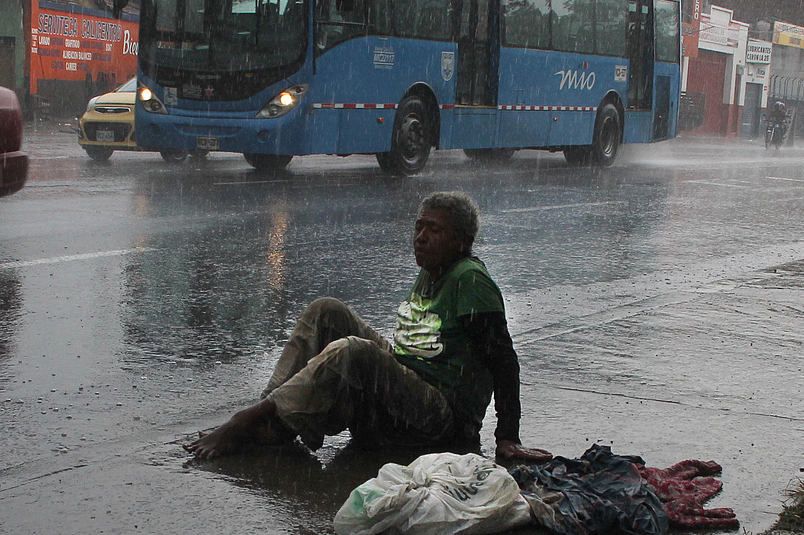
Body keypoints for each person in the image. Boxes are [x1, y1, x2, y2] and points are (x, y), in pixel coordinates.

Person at [186, 191, 553, 463]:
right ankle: (270, 421)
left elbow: (504, 361)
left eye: (434, 230)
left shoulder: (470, 281)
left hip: (442, 416)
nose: (420, 237)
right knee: (325, 311)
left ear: (462, 241)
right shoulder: (432, 270)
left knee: (354, 350)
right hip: (408, 380)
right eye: (418, 227)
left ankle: (246, 421)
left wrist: (507, 436)